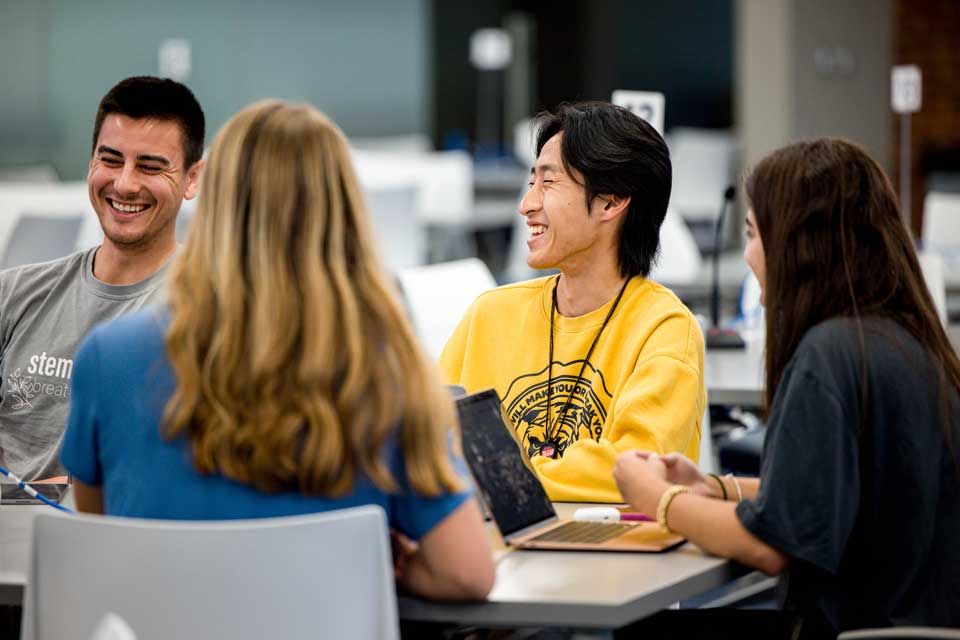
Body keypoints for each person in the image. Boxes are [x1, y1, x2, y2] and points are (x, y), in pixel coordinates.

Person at [60, 100, 495, 601]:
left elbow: (98, 540)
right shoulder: (384, 371)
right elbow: (466, 573)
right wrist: (389, 567)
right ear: (344, 210)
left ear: (215, 202)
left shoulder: (106, 359)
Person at [613, 138, 960, 638]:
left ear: (798, 242)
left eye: (754, 234)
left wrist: (659, 501)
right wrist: (712, 487)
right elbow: (824, 494)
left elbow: (771, 545)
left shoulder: (826, 356)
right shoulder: (902, 339)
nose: (749, 257)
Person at [440, 102, 705, 503]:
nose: (527, 204)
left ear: (611, 202)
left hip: (615, 557)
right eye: (532, 182)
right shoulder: (490, 315)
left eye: (549, 183)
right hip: (501, 554)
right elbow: (427, 444)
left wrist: (495, 483)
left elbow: (635, 471)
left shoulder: (664, 330)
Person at [0, 76, 205, 483]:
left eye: (150, 166)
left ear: (192, 179)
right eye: (110, 160)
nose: (125, 183)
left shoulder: (212, 310)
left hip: (133, 541)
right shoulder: (13, 297)